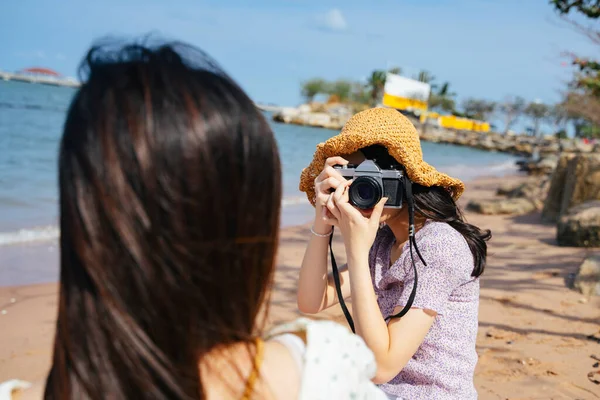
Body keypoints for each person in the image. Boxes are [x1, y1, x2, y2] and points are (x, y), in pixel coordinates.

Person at [0, 40, 387, 400]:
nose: (369, 185)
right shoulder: (319, 374)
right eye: (357, 173)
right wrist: (325, 226)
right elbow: (310, 302)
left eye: (385, 173)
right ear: (251, 225)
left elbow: (375, 355)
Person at [297, 107, 491, 400]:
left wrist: (356, 246)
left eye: (370, 177)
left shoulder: (440, 245)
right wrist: (322, 221)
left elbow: (382, 366)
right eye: (349, 176)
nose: (358, 189)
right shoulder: (385, 240)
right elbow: (312, 301)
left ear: (403, 177)